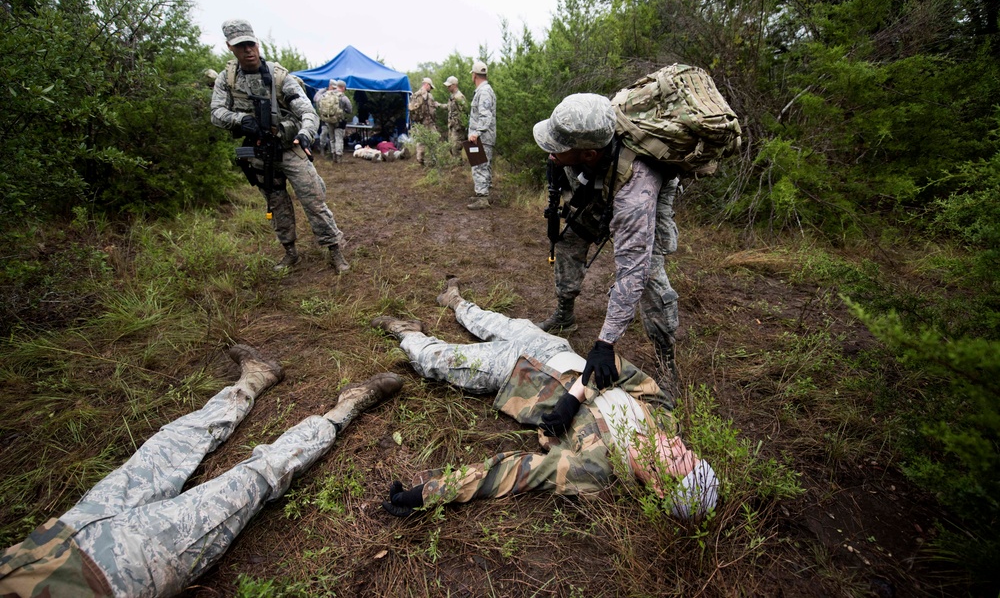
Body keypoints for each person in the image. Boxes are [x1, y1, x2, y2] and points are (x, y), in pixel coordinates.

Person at [0, 344, 403, 598]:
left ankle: (253, 379)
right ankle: (344, 410)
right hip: (118, 575)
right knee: (253, 479)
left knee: (166, 444)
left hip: (63, 534)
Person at [372, 279, 718, 520]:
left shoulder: (596, 470)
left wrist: (430, 493)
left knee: (438, 361)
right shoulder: (664, 418)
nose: (677, 443)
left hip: (517, 376)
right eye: (688, 450)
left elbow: (514, 472)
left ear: (659, 487)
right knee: (496, 322)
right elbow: (617, 366)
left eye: (679, 460)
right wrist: (577, 394)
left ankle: (407, 331)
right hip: (553, 348)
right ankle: (457, 301)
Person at [533, 93, 681, 395]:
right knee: (569, 239)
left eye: (558, 148)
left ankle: (667, 366)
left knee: (649, 277)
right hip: (600, 185)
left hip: (639, 199)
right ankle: (565, 314)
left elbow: (632, 273)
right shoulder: (588, 141)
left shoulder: (636, 194)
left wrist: (605, 343)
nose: (550, 153)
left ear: (587, 153)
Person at [209, 19, 350, 273]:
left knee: (314, 199)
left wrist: (306, 133)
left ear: (257, 43)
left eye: (251, 44)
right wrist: (241, 120)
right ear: (230, 46)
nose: (248, 50)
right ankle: (290, 251)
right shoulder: (227, 79)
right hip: (259, 152)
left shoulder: (278, 77)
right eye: (241, 46)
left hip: (289, 147)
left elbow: (307, 111)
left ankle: (334, 250)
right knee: (276, 203)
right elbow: (216, 113)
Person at [466, 60, 496, 210]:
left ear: (474, 75)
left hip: (481, 138)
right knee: (484, 165)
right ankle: (483, 194)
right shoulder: (485, 90)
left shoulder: (484, 91)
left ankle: (482, 197)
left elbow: (485, 116)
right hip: (484, 137)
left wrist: (476, 133)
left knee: (479, 166)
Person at [407, 77, 439, 166]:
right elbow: (412, 110)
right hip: (421, 123)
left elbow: (432, 109)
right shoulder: (416, 96)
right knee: (421, 142)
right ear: (427, 85)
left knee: (433, 140)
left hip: (430, 122)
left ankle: (433, 160)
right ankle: (421, 160)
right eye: (430, 87)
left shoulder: (429, 96)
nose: (431, 89)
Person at [443, 76, 467, 157]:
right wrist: (439, 105)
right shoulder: (452, 96)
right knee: (451, 148)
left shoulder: (459, 97)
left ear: (454, 85)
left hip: (458, 128)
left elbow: (464, 111)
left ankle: (459, 167)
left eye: (449, 86)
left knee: (456, 148)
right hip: (452, 126)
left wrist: (460, 125)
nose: (447, 87)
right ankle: (456, 165)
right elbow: (449, 107)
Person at [331, 80, 353, 163]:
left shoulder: (328, 94)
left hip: (328, 120)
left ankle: (333, 156)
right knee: (339, 138)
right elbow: (350, 109)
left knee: (332, 139)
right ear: (343, 87)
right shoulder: (343, 97)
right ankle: (339, 157)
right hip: (339, 121)